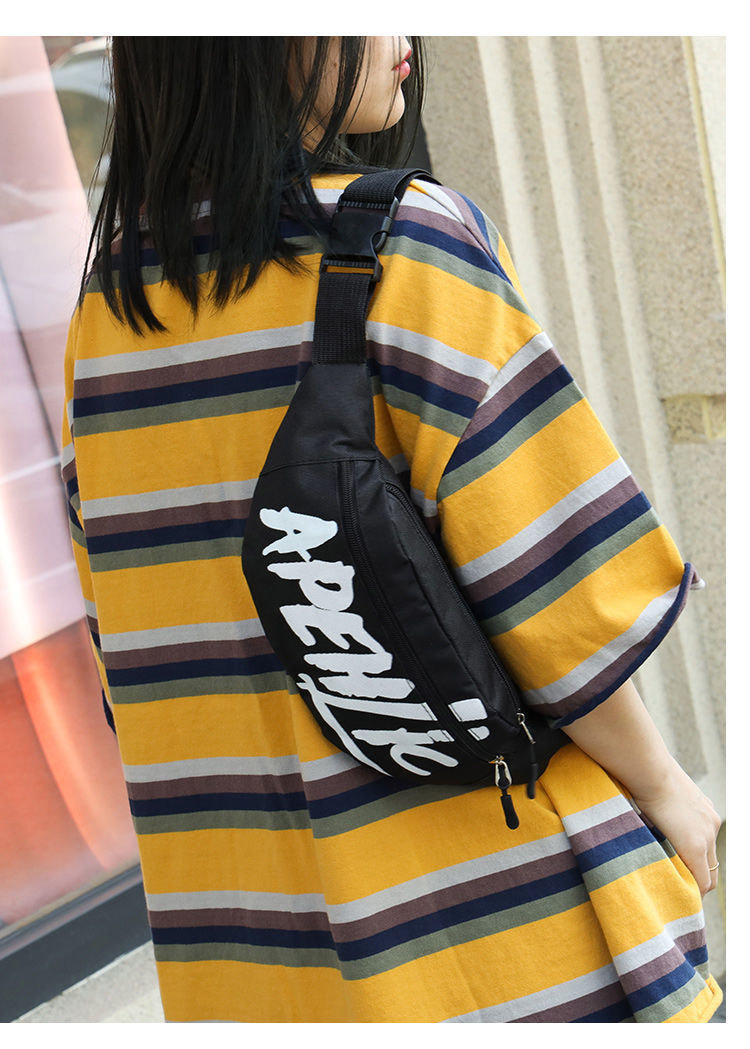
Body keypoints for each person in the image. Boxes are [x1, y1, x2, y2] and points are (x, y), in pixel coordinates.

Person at [62, 36, 723, 1023]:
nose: (402, 31)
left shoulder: (107, 309)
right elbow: (554, 594)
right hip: (501, 928)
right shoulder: (402, 242)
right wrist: (664, 783)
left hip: (251, 959)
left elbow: (132, 646)